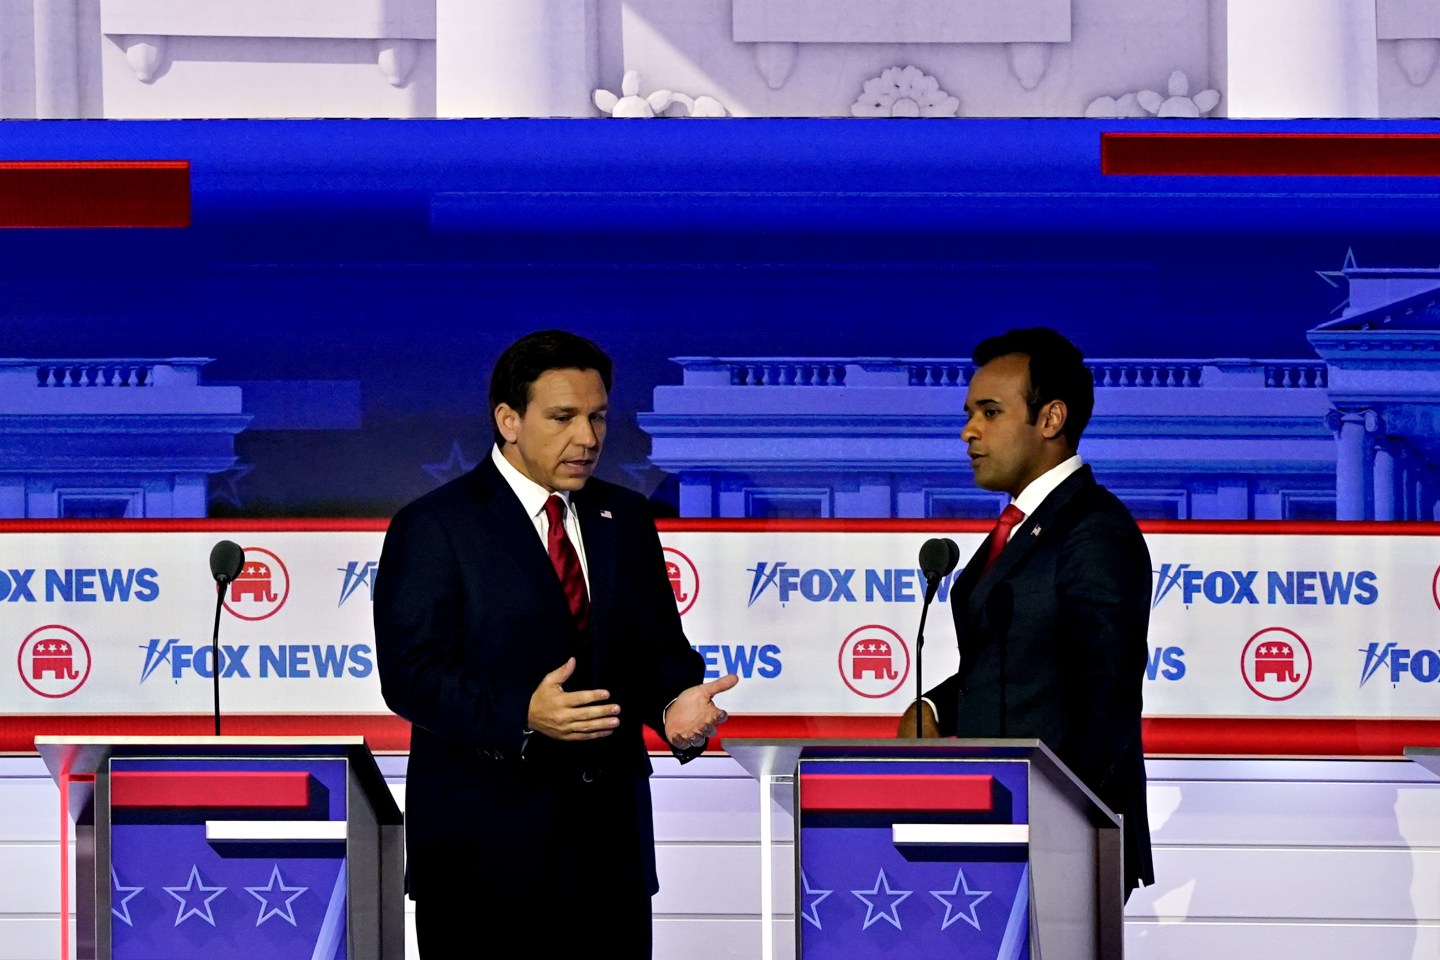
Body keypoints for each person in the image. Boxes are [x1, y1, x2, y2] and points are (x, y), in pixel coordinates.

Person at [374, 329, 737, 956]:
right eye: (564, 417)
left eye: (598, 417)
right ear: (508, 420)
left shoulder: (624, 519)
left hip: (608, 857)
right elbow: (411, 674)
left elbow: (656, 652)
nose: (589, 439)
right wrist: (522, 710)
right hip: (484, 859)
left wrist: (675, 705)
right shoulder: (434, 525)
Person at [899, 326, 1154, 897]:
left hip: (1056, 845)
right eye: (969, 412)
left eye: (990, 412)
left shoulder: (1094, 532)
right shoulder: (1016, 529)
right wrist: (934, 707)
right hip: (997, 832)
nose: (969, 431)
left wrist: (1051, 824)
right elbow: (1012, 664)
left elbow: (1105, 697)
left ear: (1051, 419)